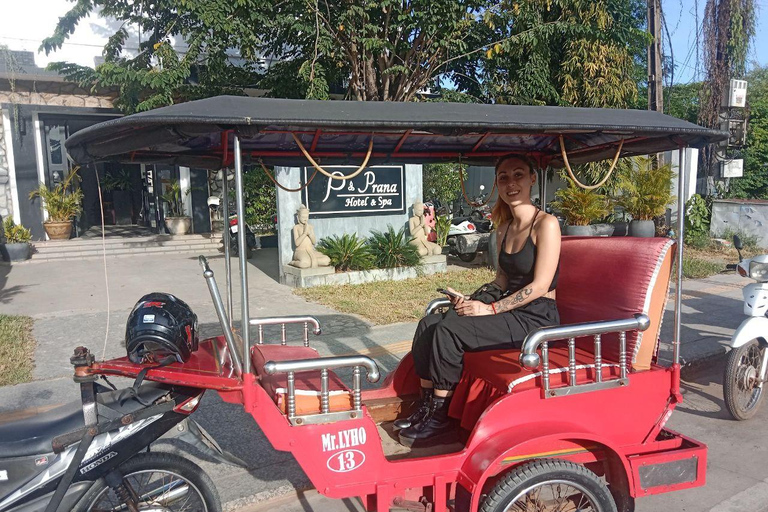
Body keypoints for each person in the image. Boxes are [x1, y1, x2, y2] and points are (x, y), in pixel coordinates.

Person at [397, 155, 561, 446]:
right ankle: (426, 406)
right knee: (429, 324)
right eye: (503, 178)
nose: (511, 183)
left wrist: (491, 309)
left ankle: (441, 418)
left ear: (532, 179)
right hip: (511, 311)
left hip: (536, 317)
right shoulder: (503, 229)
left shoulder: (545, 224)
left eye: (519, 175)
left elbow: (540, 286)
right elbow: (502, 280)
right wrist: (471, 300)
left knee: (450, 330)